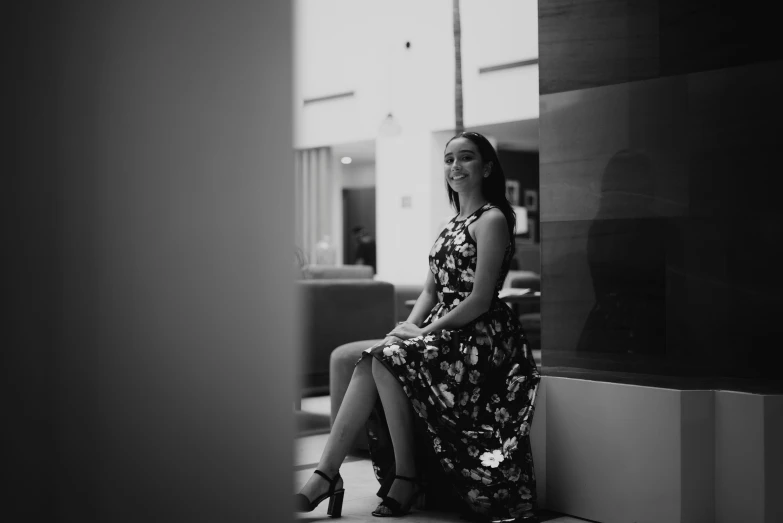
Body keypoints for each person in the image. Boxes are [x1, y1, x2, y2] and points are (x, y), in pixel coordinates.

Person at [294, 131, 541, 522]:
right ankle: (328, 475)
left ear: (487, 167)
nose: (455, 167)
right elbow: (430, 288)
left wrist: (423, 333)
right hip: (446, 331)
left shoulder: (491, 219)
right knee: (375, 356)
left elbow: (479, 300)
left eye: (466, 158)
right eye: (448, 160)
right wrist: (406, 326)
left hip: (481, 339)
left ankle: (401, 478)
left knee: (386, 359)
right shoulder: (451, 223)